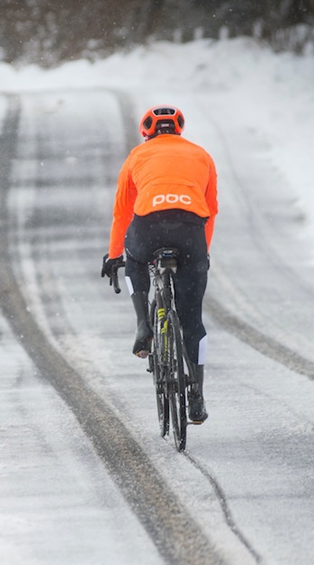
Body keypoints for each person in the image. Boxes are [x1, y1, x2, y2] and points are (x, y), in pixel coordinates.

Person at [100, 105, 218, 424]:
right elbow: (210, 210)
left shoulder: (137, 156)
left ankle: (143, 324)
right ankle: (196, 395)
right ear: (178, 130)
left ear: (147, 132)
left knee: (135, 258)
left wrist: (114, 257)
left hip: (148, 227)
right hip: (190, 230)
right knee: (192, 320)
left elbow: (122, 213)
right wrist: (200, 255)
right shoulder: (201, 155)